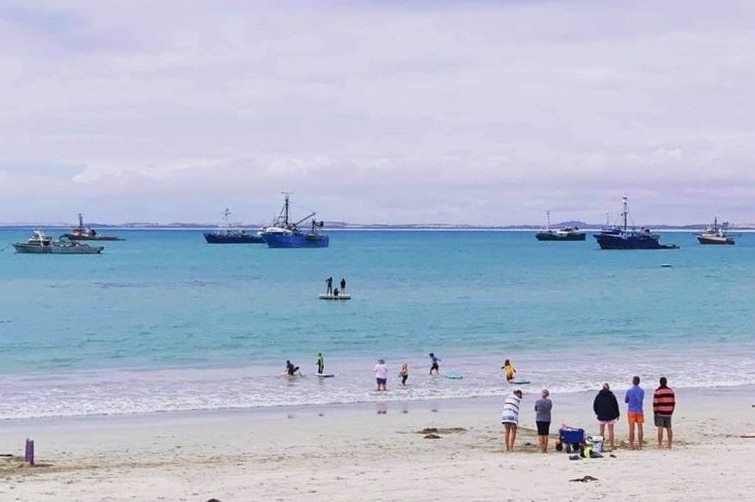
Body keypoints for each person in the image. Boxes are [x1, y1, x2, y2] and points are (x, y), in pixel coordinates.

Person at [593, 382, 621, 451]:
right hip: (611, 416)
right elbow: (616, 406)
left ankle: (600, 446)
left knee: (601, 431)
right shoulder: (612, 396)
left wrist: (597, 413)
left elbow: (595, 405)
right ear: (609, 388)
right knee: (611, 431)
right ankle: (612, 445)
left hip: (601, 416)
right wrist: (617, 414)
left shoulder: (598, 396)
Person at [653, 377, 676, 448]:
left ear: (660, 383)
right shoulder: (671, 391)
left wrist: (655, 412)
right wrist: (672, 411)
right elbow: (673, 402)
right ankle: (669, 444)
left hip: (660, 412)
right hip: (668, 412)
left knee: (660, 428)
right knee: (669, 428)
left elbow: (655, 403)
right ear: (666, 382)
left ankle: (659, 444)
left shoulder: (658, 391)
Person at [624, 375, 645, 450]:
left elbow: (626, 400)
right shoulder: (642, 391)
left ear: (633, 382)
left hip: (631, 410)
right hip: (639, 410)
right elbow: (641, 399)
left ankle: (631, 445)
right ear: (639, 382)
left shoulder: (629, 391)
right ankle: (640, 445)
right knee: (640, 428)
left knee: (631, 428)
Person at [534, 388, 553, 453]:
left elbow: (535, 409)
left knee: (540, 434)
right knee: (546, 434)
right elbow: (550, 408)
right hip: (547, 419)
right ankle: (545, 448)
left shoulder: (538, 401)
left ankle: (542, 448)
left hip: (539, 418)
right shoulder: (549, 401)